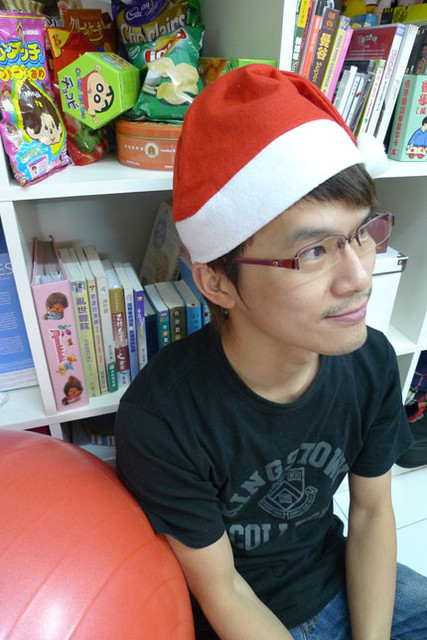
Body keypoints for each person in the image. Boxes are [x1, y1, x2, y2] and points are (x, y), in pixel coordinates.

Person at [115, 65, 427, 640]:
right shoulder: (163, 417)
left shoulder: (370, 361)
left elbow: (370, 513)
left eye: (362, 233)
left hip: (337, 576)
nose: (360, 277)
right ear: (217, 282)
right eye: (313, 252)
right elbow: (223, 590)